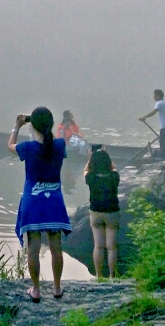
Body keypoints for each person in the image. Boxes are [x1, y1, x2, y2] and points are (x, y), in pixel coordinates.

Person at [8, 106, 72, 302]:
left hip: (33, 201)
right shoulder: (60, 145)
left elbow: (10, 146)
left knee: (33, 248)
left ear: (32, 125)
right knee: (56, 246)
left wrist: (17, 127)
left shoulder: (28, 148)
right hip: (54, 200)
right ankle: (57, 287)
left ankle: (35, 289)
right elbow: (51, 141)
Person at [84, 148, 120, 279]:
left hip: (96, 212)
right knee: (111, 247)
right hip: (111, 212)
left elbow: (86, 170)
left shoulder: (91, 177)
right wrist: (105, 154)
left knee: (98, 246)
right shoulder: (114, 176)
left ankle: (99, 276)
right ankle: (112, 276)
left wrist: (91, 157)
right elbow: (114, 167)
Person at [139, 88, 165, 157]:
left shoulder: (158, 103)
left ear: (158, 96)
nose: (153, 97)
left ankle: (163, 160)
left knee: (163, 146)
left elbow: (153, 112)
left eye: (154, 95)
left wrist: (144, 117)